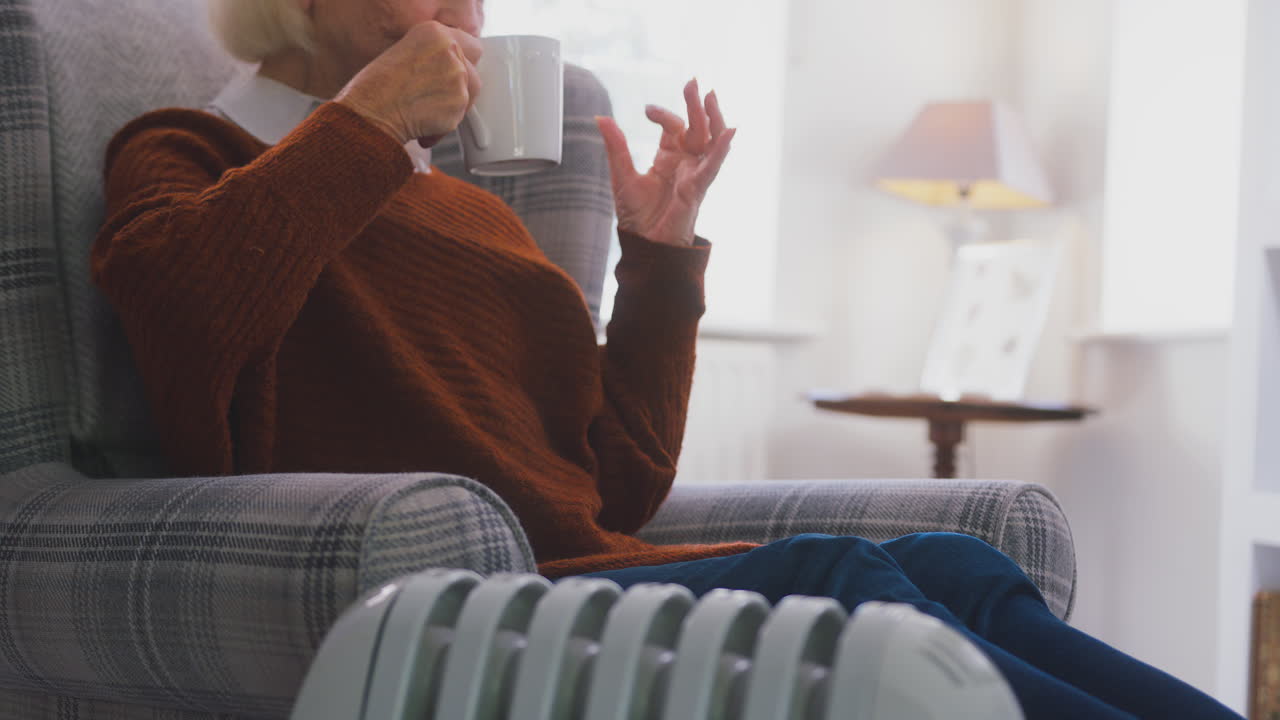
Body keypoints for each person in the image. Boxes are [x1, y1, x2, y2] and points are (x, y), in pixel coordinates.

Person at [90, 0, 1241, 718]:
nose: (465, 12)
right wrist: (364, 123)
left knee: (951, 563)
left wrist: (659, 255)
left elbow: (616, 484)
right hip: (462, 603)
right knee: (849, 587)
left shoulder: (477, 215)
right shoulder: (188, 151)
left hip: (577, 571)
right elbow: (187, 313)